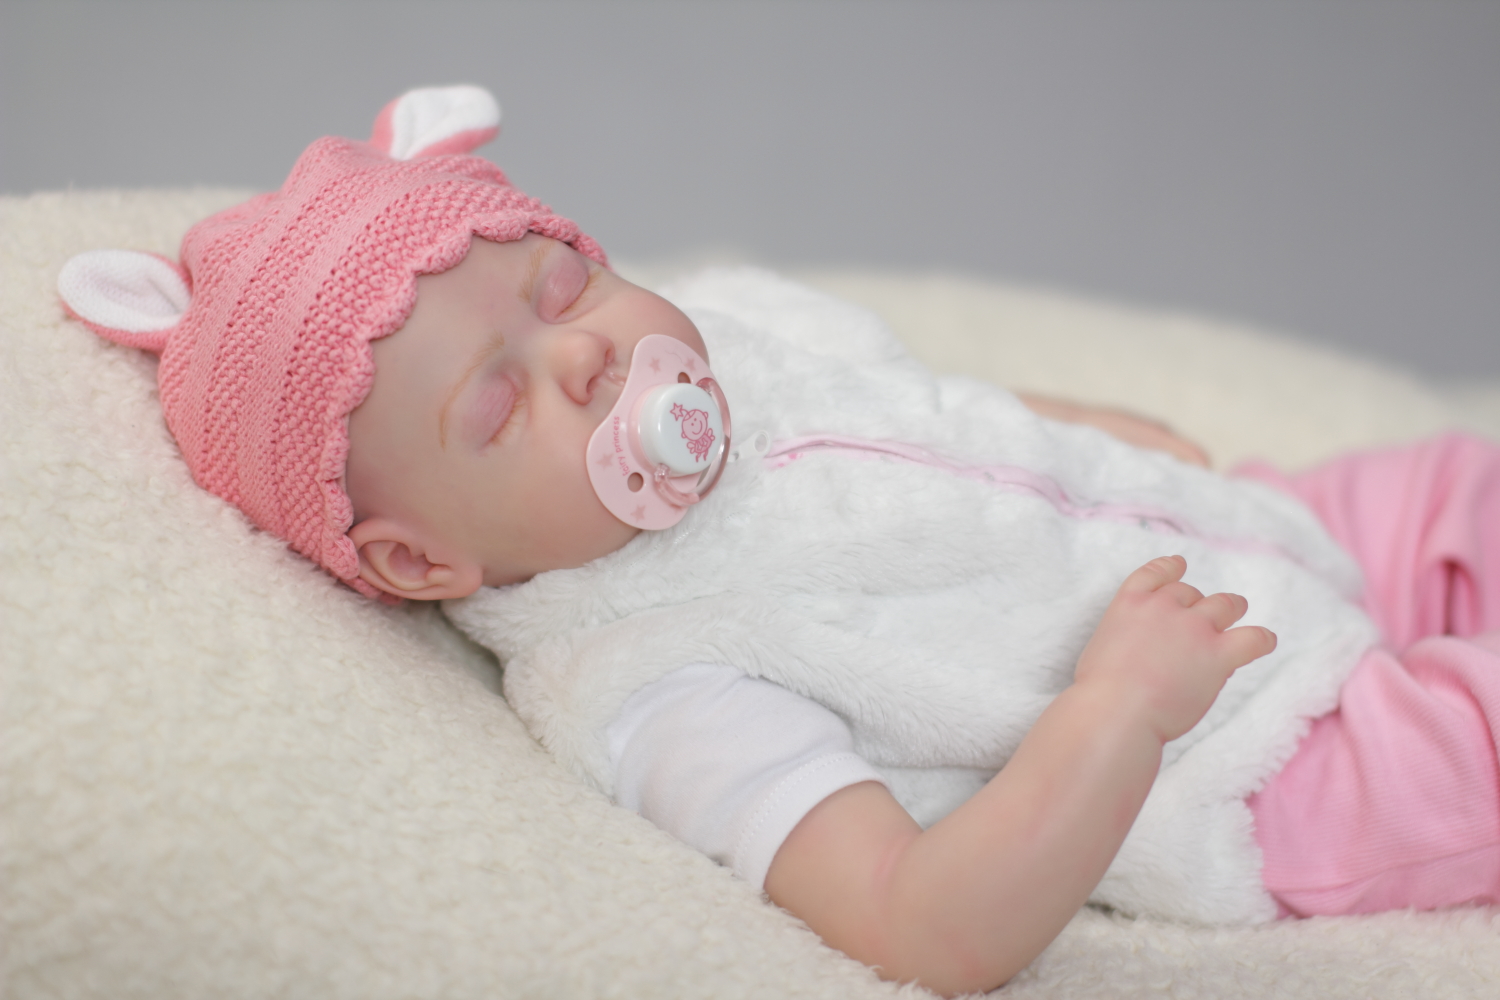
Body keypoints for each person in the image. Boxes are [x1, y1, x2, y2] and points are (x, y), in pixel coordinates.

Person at [58, 87, 1500, 997]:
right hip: (1248, 760)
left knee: (1464, 484)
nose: (582, 353)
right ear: (422, 563)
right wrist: (1118, 713)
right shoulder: (656, 686)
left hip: (1258, 524)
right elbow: (926, 929)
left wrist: (1073, 423)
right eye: (500, 404)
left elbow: (907, 394)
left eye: (564, 285)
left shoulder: (736, 325)